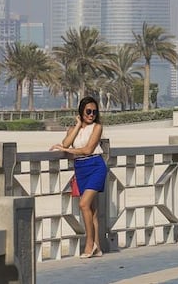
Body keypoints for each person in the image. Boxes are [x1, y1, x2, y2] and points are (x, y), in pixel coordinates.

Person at [50, 96, 107, 259]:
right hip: (81, 168)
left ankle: (89, 244)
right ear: (81, 111)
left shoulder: (97, 127)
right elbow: (66, 143)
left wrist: (67, 151)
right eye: (88, 111)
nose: (91, 115)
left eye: (94, 112)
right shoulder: (74, 129)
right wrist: (77, 125)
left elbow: (88, 150)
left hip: (96, 166)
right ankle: (98, 247)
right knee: (92, 210)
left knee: (83, 204)